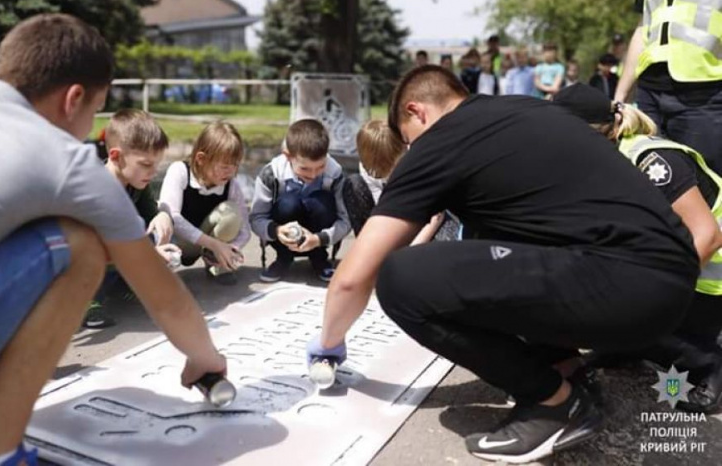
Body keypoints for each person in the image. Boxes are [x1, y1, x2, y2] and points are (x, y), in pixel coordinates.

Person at [306, 65, 698, 463]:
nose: (411, 152)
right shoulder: (527, 111)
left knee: (400, 276)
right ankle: (565, 368)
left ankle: (554, 403)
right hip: (668, 285)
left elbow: (355, 278)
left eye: (408, 141)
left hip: (622, 284)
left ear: (417, 112)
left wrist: (329, 342)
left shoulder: (443, 139)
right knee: (484, 232)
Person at [0, 14, 227, 466]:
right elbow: (164, 297)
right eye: (96, 112)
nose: (92, 125)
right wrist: (206, 359)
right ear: (73, 99)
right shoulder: (68, 160)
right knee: (76, 244)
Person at [553, 83, 722, 413]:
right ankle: (630, 345)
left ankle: (708, 367)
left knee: (627, 304)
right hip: (689, 268)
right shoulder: (604, 158)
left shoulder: (652, 160)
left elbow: (709, 236)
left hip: (711, 279)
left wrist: (649, 296)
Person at [615, 0, 722, 173]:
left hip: (705, 93)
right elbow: (644, 26)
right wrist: (620, 98)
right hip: (649, 94)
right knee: (649, 181)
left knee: (708, 185)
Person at [85, 109, 182, 329]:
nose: (154, 172)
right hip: (82, 263)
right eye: (146, 164)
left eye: (157, 165)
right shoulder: (93, 189)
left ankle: (124, 287)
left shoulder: (135, 183)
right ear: (116, 157)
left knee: (150, 234)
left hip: (114, 261)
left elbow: (151, 213)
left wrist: (162, 216)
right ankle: (88, 301)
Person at [250, 119, 350, 283]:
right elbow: (256, 218)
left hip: (319, 234)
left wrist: (320, 239)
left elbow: (345, 220)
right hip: (283, 233)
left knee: (322, 200)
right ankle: (283, 258)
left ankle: (319, 258)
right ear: (288, 156)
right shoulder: (270, 174)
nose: (313, 175)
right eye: (305, 169)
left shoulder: (335, 173)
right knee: (289, 202)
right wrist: (277, 231)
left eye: (320, 167)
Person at [158, 121, 251, 280]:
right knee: (164, 220)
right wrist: (214, 244)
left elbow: (245, 229)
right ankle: (159, 266)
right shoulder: (179, 171)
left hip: (207, 245)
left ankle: (216, 263)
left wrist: (230, 250)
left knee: (231, 213)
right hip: (179, 243)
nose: (230, 171)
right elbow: (172, 217)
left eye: (235, 165)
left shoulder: (231, 186)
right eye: (224, 166)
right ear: (201, 159)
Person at [342, 120, 459, 242]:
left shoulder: (419, 159)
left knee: (447, 236)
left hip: (424, 224)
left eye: (397, 162)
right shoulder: (368, 173)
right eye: (388, 166)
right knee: (353, 184)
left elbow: (436, 214)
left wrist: (415, 245)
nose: (394, 170)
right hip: (389, 228)